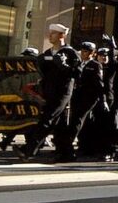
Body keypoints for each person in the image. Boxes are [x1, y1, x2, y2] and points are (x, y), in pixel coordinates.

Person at [18, 24, 80, 160]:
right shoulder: (47, 54)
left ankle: (28, 149)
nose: (50, 35)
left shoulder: (70, 53)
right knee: (60, 124)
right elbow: (44, 74)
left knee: (47, 119)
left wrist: (64, 66)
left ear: (62, 36)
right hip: (49, 92)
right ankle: (67, 153)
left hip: (63, 92)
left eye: (53, 33)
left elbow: (78, 73)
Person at [53, 41, 104, 162]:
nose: (83, 53)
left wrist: (101, 99)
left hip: (88, 98)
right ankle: (73, 147)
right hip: (76, 96)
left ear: (92, 53)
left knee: (77, 121)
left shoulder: (95, 65)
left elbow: (99, 84)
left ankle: (67, 147)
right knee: (74, 122)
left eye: (86, 51)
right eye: (82, 51)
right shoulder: (77, 63)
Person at [0, 47, 40, 152]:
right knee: (17, 121)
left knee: (30, 123)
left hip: (33, 100)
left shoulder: (39, 69)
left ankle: (32, 145)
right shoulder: (20, 70)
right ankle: (6, 141)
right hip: (21, 99)